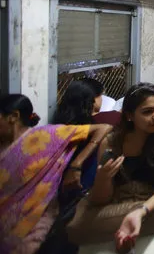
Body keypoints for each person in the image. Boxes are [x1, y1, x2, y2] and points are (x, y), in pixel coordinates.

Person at [67, 83, 154, 254]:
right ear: (129, 116)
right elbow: (102, 198)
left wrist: (140, 212)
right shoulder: (112, 142)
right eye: (147, 112)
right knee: (77, 230)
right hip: (117, 204)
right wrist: (103, 178)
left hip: (153, 207)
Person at [0, 94, 111, 254]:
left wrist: (76, 164)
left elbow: (104, 128)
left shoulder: (47, 136)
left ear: (13, 117)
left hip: (36, 220)